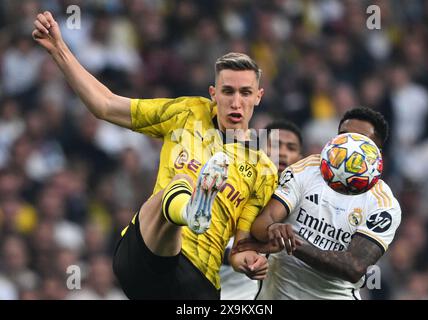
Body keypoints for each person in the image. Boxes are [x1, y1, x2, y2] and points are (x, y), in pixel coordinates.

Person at [32, 11, 278, 300]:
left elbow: (241, 247)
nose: (236, 102)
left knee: (186, 180)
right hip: (145, 255)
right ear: (213, 93)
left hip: (196, 283)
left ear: (258, 96)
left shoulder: (263, 171)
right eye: (228, 91)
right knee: (184, 178)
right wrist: (59, 48)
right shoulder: (187, 113)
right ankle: (189, 211)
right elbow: (106, 105)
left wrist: (248, 262)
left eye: (245, 93)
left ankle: (191, 207)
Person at [234, 107, 402, 300]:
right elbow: (264, 222)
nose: (348, 146)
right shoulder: (307, 168)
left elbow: (353, 267)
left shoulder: (383, 205)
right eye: (344, 137)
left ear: (377, 152)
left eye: (359, 140)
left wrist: (292, 243)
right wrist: (273, 228)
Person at [220, 120, 303, 299]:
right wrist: (236, 254)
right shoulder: (231, 186)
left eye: (291, 148)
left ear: (300, 159)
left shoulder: (301, 208)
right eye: (275, 145)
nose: (282, 152)